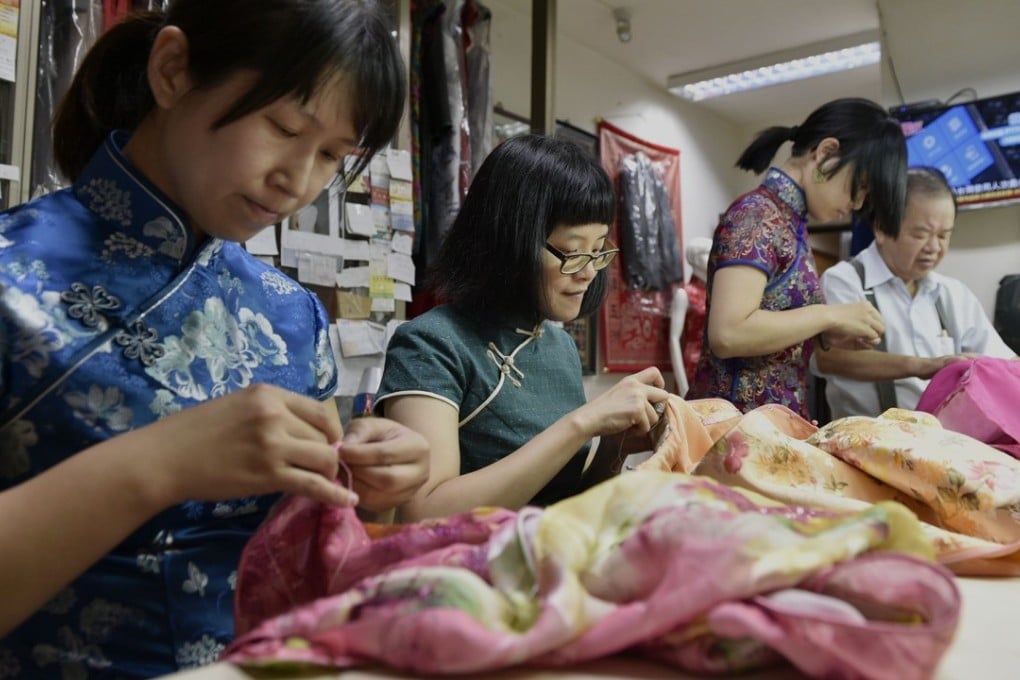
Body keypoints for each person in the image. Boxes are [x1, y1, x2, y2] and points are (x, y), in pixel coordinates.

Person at [0, 1, 429, 675]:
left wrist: (366, 484)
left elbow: (303, 565)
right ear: (172, 71)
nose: (298, 181)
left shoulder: (293, 316)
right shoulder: (9, 276)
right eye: (283, 127)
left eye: (331, 156)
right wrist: (159, 463)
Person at [375, 134, 671, 521]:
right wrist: (583, 424)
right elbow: (423, 515)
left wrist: (614, 443)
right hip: (462, 570)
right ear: (508, 241)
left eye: (597, 251)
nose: (586, 272)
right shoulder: (430, 343)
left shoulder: (558, 345)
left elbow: (561, 506)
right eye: (571, 251)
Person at [688, 97, 901, 419]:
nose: (857, 204)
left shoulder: (788, 222)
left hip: (764, 426)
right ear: (826, 152)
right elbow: (729, 333)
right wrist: (827, 316)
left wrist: (826, 335)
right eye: (859, 186)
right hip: (730, 428)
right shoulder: (757, 216)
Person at [814, 166, 1016, 419]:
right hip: (864, 446)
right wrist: (924, 366)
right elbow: (829, 359)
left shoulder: (952, 293)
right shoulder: (844, 281)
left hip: (943, 445)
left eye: (944, 236)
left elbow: (1003, 362)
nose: (934, 247)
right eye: (921, 234)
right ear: (881, 228)